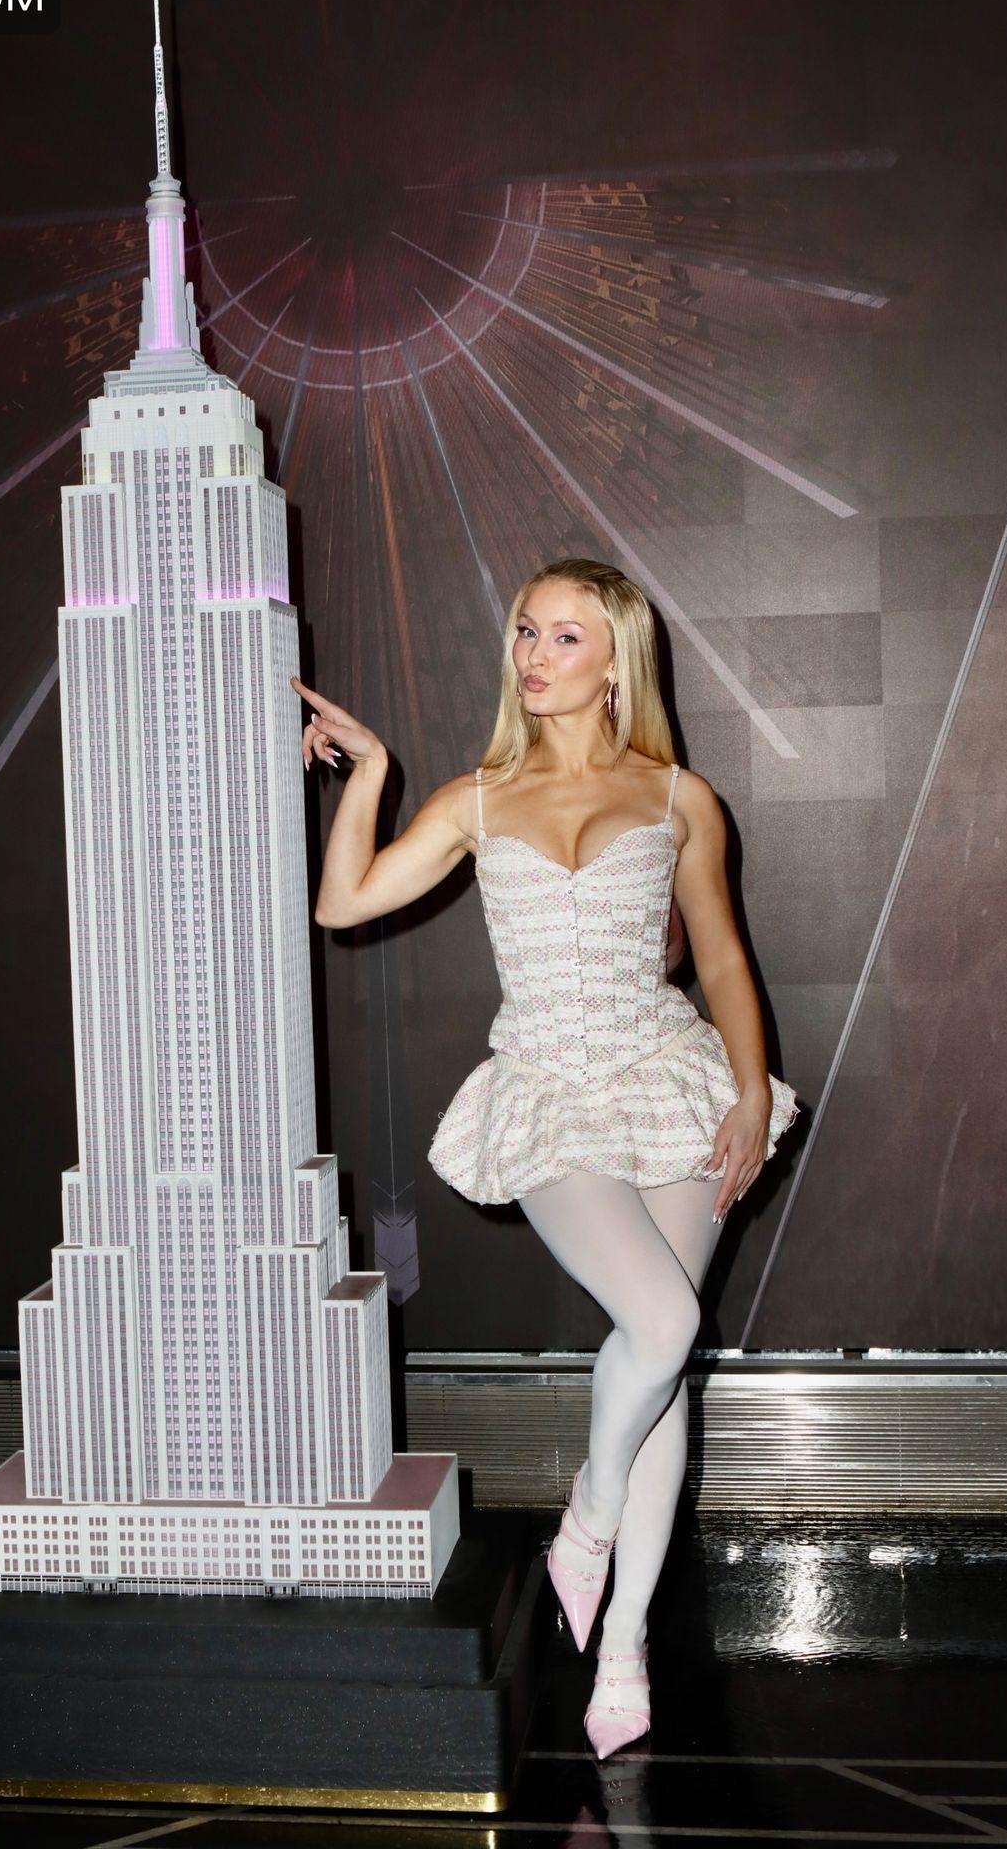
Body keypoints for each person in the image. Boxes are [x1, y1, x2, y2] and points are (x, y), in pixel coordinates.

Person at [289, 557, 799, 1760]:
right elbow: (343, 903)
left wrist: (745, 1092)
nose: (534, 653)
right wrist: (371, 771)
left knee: (660, 1363)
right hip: (547, 1098)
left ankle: (621, 1643)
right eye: (526, 630)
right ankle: (588, 1519)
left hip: (671, 1082)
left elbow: (723, 959)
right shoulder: (477, 798)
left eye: (566, 636)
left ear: (616, 662)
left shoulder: (678, 797)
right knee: (662, 1326)